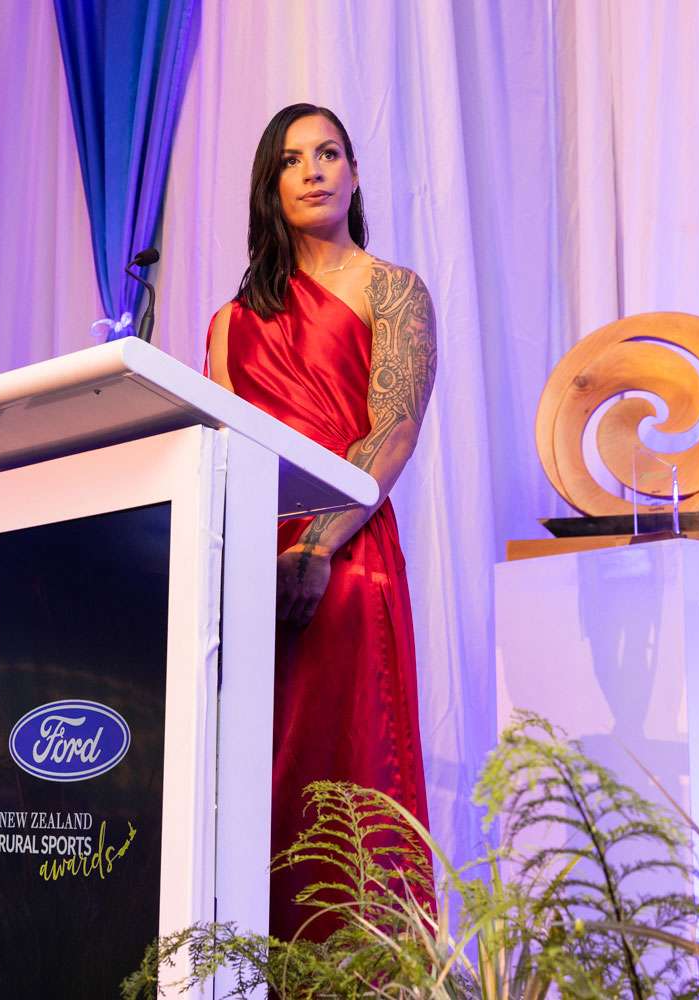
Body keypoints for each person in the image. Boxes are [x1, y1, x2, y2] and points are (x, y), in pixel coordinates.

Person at [205, 103, 437, 942]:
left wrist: (314, 546)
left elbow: (393, 428)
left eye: (330, 153)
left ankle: (371, 977)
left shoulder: (393, 290)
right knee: (254, 788)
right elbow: (217, 451)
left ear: (354, 173)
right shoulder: (230, 324)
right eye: (294, 159)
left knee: (351, 772)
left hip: (345, 554)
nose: (314, 170)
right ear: (270, 185)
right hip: (249, 575)